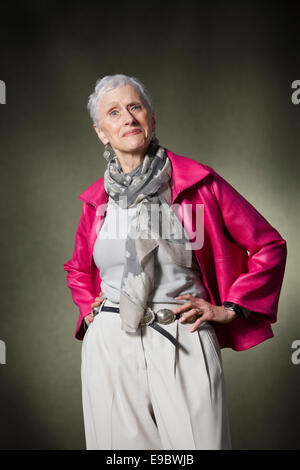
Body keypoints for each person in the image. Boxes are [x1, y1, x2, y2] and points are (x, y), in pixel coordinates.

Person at [63, 74, 287, 450]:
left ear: (152, 118)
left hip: (183, 334)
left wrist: (232, 308)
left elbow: (269, 245)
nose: (128, 118)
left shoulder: (200, 183)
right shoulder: (97, 201)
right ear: (102, 132)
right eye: (114, 113)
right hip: (110, 344)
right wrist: (89, 307)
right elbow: (77, 266)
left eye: (136, 107)